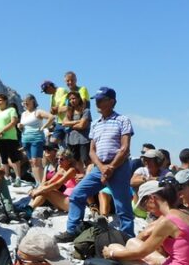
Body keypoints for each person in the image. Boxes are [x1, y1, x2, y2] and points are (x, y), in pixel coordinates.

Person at [102, 178, 189, 265]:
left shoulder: (168, 221)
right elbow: (143, 240)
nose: (146, 210)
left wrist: (112, 254)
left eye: (145, 206)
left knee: (115, 247)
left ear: (152, 199)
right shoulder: (184, 213)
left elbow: (142, 252)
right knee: (131, 243)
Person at [57, 87, 135, 241]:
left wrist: (111, 167)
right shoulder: (95, 124)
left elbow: (125, 148)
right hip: (100, 167)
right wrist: (102, 167)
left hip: (118, 167)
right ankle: (72, 230)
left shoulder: (123, 120)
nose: (97, 103)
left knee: (123, 206)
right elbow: (92, 151)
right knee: (77, 194)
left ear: (112, 101)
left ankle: (127, 236)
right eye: (96, 100)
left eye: (101, 100)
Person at [26, 150, 79, 215]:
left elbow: (57, 185)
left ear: (69, 161)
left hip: (73, 203)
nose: (59, 161)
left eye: (62, 159)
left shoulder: (72, 170)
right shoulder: (62, 170)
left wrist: (38, 191)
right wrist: (37, 189)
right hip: (64, 200)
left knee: (47, 190)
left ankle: (29, 209)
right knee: (45, 189)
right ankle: (29, 208)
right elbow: (48, 183)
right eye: (58, 159)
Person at [18, 94, 54, 186]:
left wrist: (43, 127)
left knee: (36, 161)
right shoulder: (23, 114)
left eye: (27, 101)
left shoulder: (38, 112)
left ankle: (42, 183)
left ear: (32, 101)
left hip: (36, 139)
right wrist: (20, 127)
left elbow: (51, 117)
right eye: (24, 101)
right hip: (25, 139)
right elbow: (23, 127)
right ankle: (38, 182)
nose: (25, 103)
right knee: (31, 162)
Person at [0, 93, 21, 186]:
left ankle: (18, 177)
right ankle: (7, 176)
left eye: (0, 100)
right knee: (3, 157)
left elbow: (13, 122)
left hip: (10, 137)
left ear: (5, 101)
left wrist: (2, 131)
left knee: (14, 156)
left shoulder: (11, 110)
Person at [61, 91, 91, 170]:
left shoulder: (86, 111)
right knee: (75, 161)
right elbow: (64, 123)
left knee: (86, 160)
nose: (72, 101)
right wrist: (77, 122)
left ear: (79, 99)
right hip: (71, 140)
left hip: (83, 140)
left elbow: (82, 126)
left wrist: (70, 125)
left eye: (74, 98)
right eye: (70, 99)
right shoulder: (69, 112)